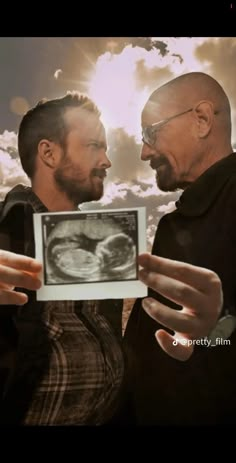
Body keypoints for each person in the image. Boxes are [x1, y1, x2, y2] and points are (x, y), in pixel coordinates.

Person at [0, 90, 222, 426]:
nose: (106, 161)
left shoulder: (103, 241)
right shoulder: (7, 233)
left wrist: (208, 334)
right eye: (94, 146)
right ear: (49, 153)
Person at [124, 71, 236, 425]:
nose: (144, 152)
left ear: (201, 120)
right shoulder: (183, 218)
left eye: (151, 133)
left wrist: (215, 335)